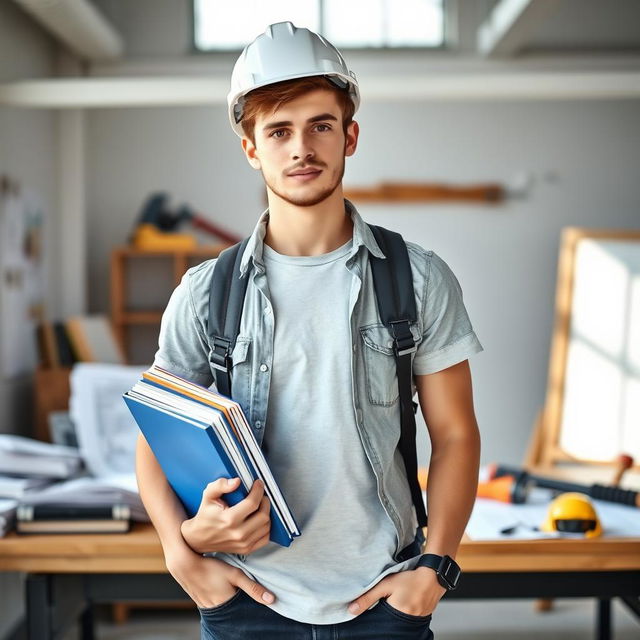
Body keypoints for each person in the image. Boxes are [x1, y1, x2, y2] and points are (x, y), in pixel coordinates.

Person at [135, 21, 484, 640]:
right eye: (279, 131)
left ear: (350, 135)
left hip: (385, 598)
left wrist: (435, 568)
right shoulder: (204, 292)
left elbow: (455, 434)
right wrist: (179, 550)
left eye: (320, 125)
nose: (302, 148)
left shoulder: (419, 279)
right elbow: (155, 434)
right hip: (246, 602)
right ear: (252, 148)